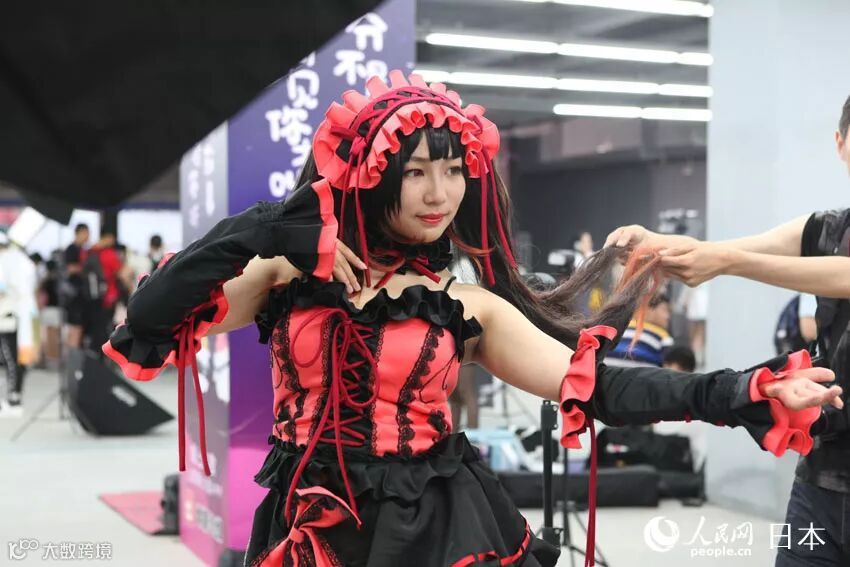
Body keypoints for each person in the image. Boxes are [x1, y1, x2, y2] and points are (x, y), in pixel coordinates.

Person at [104, 71, 842, 567]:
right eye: (416, 171)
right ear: (370, 176)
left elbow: (599, 387)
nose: (440, 193)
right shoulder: (286, 280)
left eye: (454, 169)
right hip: (306, 528)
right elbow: (151, 316)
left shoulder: (467, 305)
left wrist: (743, 389)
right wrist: (267, 227)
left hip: (435, 530)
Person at [605, 93, 850, 566]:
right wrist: (658, 244)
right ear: (840, 144)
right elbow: (729, 246)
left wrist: (725, 262)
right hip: (821, 480)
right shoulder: (825, 229)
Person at [0, 233, 38, 417]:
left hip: (9, 316)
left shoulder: (7, 261)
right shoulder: (23, 261)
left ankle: (14, 398)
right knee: (16, 358)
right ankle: (14, 396)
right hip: (21, 316)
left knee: (11, 359)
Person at [606, 291, 674, 367]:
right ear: (648, 308)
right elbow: (670, 367)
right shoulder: (664, 337)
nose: (668, 316)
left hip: (607, 372)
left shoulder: (618, 327)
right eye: (665, 310)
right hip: (640, 374)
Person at [85, 226, 122, 351]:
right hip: (109, 295)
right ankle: (106, 353)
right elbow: (120, 272)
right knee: (108, 326)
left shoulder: (89, 251)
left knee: (96, 327)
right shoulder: (109, 254)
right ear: (108, 237)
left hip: (92, 295)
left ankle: (95, 353)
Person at [61, 223, 89, 349]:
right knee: (75, 328)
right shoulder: (71, 249)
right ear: (80, 233)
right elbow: (70, 268)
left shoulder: (83, 250)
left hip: (79, 295)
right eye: (86, 233)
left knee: (78, 328)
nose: (88, 236)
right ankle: (72, 356)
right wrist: (86, 268)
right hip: (73, 295)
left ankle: (73, 354)